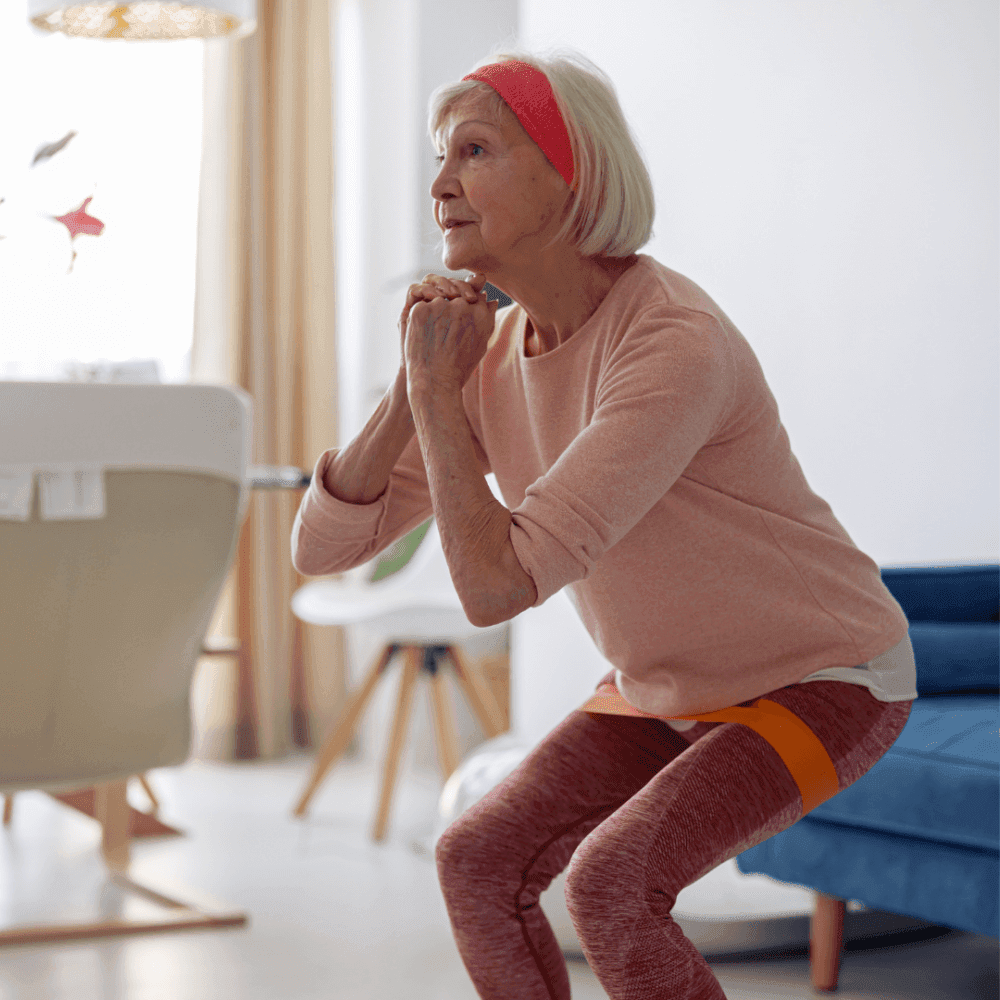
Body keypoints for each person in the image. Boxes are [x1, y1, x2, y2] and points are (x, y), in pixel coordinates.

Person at [291, 48, 917, 1000]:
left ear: (570, 171)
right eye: (438, 156)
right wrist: (414, 392)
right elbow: (320, 551)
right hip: (666, 686)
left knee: (614, 882)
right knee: (478, 859)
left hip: (825, 677)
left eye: (474, 150)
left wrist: (431, 387)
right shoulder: (492, 356)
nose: (439, 184)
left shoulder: (670, 343)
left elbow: (498, 589)